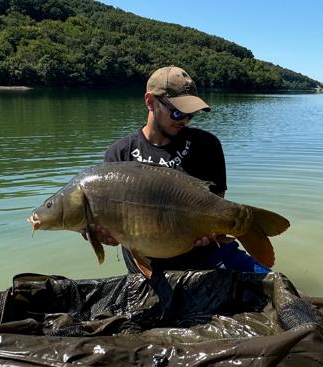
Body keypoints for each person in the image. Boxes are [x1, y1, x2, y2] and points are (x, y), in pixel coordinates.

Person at [94, 66, 271, 276]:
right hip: (148, 268)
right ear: (150, 102)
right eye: (178, 111)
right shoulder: (119, 155)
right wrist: (106, 236)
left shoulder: (207, 145)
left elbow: (216, 204)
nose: (184, 119)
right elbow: (115, 230)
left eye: (191, 114)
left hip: (208, 257)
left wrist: (213, 233)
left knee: (282, 291)